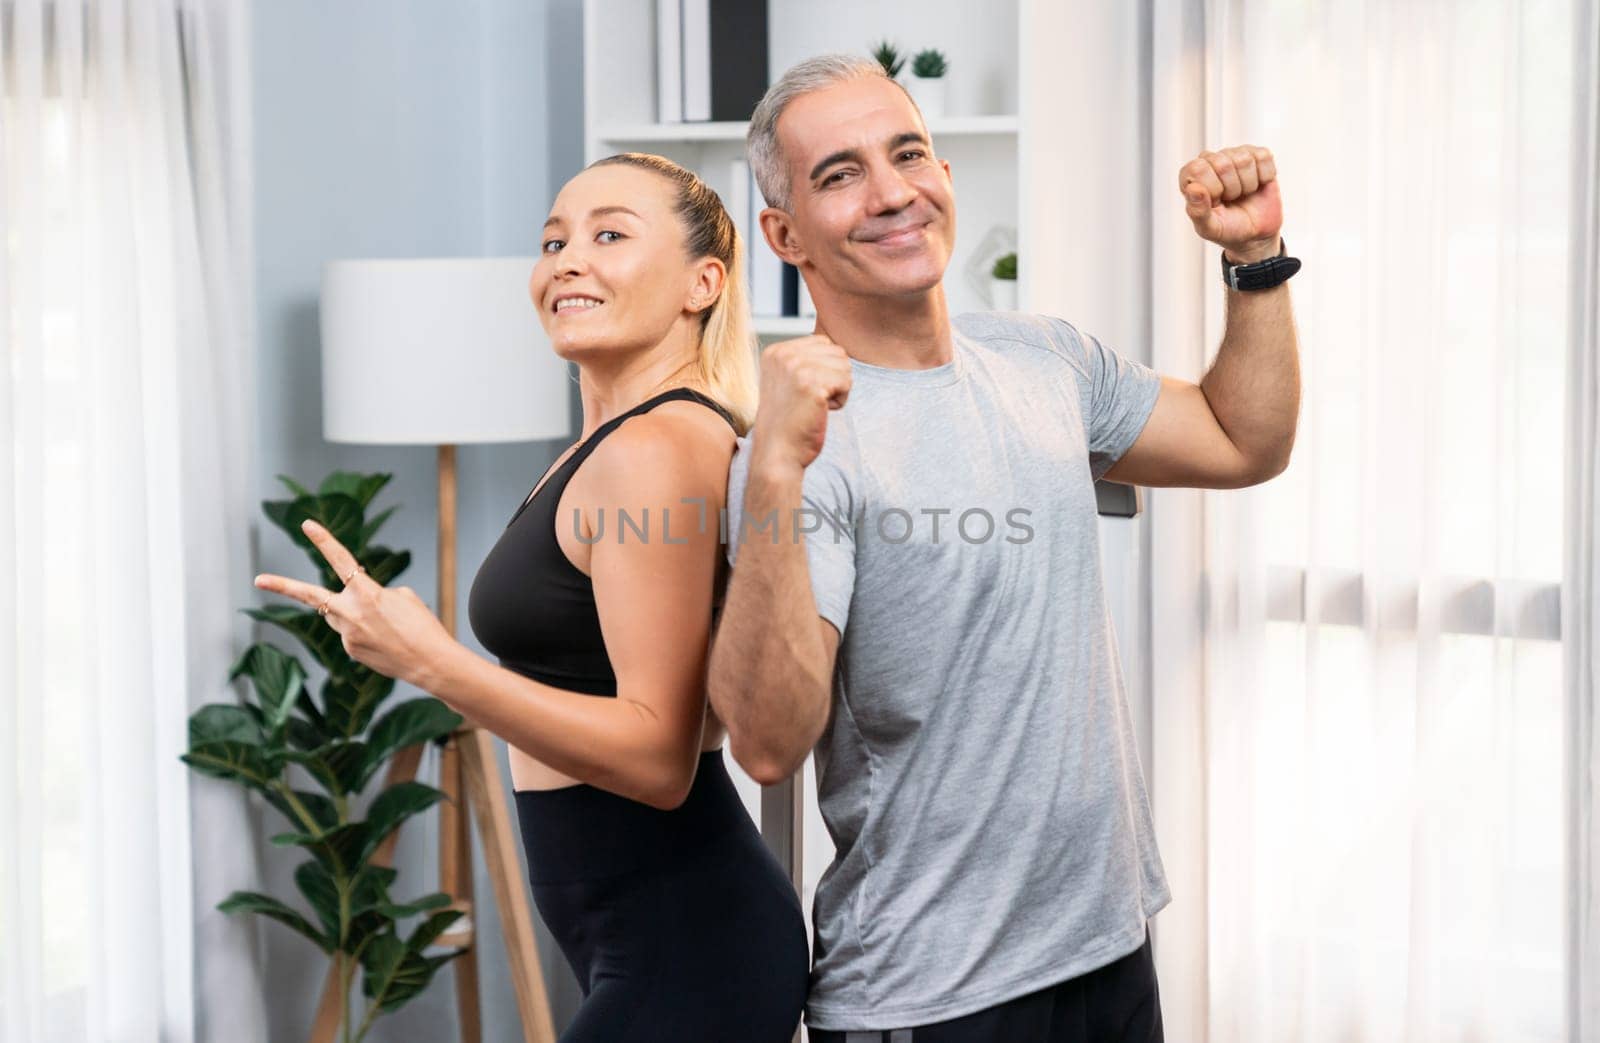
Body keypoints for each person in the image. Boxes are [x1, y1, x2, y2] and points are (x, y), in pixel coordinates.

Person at [708, 55, 1301, 1042]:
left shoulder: (1046, 360)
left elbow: (1246, 440)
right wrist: (769, 473)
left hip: (1106, 945)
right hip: (937, 993)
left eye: (907, 153)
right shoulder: (807, 442)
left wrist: (1255, 259)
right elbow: (767, 742)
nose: (892, 192)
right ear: (783, 233)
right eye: (840, 173)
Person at [255, 152, 809, 1042]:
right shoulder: (611, 441)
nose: (567, 260)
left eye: (610, 234)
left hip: (690, 946)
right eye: (553, 239)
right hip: (644, 940)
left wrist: (434, 663)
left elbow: (659, 757)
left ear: (703, 282)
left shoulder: (655, 448)